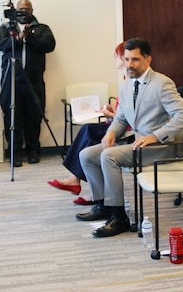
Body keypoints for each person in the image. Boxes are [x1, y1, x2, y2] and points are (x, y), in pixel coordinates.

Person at [77, 38, 183, 237]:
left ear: (148, 59)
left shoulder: (162, 83)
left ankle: (119, 217)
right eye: (127, 59)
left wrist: (156, 136)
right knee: (86, 155)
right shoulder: (125, 85)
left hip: (158, 147)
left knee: (109, 157)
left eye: (135, 60)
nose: (130, 64)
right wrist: (111, 132)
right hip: (135, 141)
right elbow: (121, 118)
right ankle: (103, 205)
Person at [48, 42, 126, 204]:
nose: (115, 59)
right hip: (117, 124)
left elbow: (126, 117)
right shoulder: (125, 81)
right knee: (89, 134)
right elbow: (122, 113)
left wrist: (109, 113)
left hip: (124, 130)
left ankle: (77, 181)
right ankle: (80, 183)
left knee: (89, 132)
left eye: (116, 56)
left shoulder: (129, 83)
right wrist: (111, 112)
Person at [0, 0, 56, 166]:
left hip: (34, 81)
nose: (23, 12)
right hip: (11, 81)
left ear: (32, 11)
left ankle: (33, 150)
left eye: (26, 9)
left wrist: (30, 38)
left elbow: (49, 45)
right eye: (20, 9)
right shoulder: (6, 28)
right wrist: (17, 39)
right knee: (12, 117)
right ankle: (15, 152)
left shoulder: (42, 28)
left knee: (34, 116)